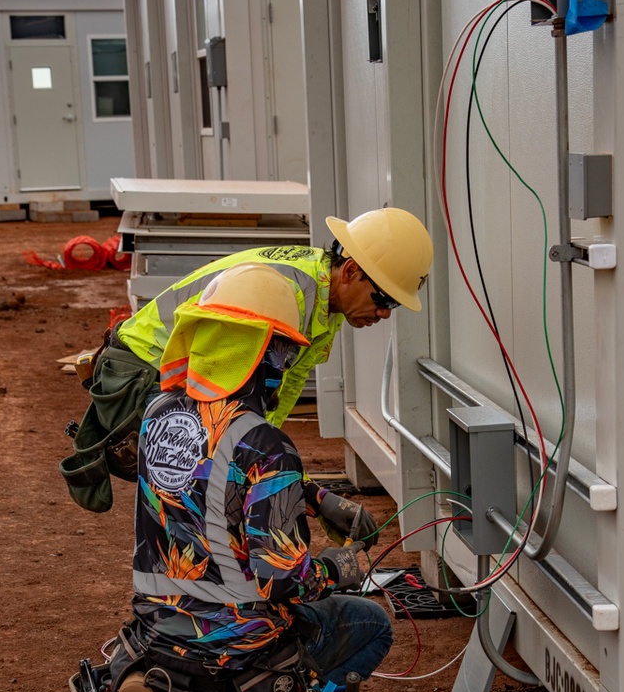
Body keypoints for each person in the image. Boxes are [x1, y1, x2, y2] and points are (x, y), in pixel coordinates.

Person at [105, 262, 394, 692]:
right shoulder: (268, 446)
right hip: (241, 646)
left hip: (157, 629)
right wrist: (337, 569)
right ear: (258, 353)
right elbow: (284, 580)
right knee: (371, 624)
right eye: (282, 349)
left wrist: (311, 494)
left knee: (195, 627)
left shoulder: (158, 414)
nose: (286, 362)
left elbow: (208, 479)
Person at [60, 207, 433, 512]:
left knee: (234, 473)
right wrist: (300, 490)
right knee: (209, 481)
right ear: (350, 271)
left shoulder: (323, 299)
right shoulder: (281, 296)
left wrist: (280, 465)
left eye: (395, 304)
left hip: (158, 370)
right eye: (383, 299)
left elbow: (278, 397)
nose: (385, 314)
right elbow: (219, 407)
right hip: (142, 375)